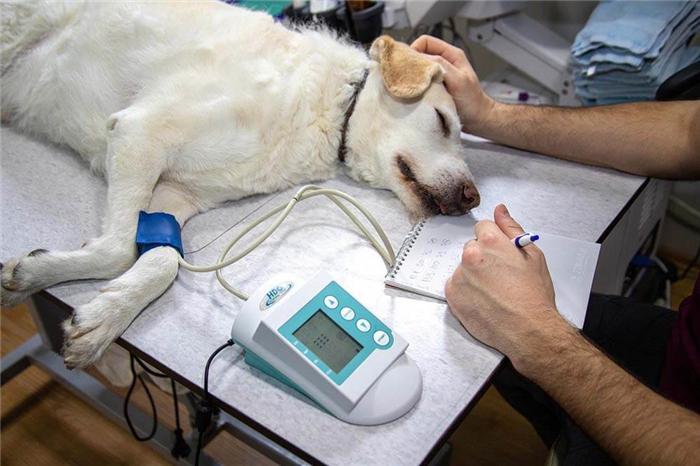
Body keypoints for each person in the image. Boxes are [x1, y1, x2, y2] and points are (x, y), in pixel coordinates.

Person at [411, 35, 700, 466]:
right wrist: (490, 115)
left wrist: (537, 335)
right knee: (494, 351)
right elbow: (686, 131)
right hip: (687, 353)